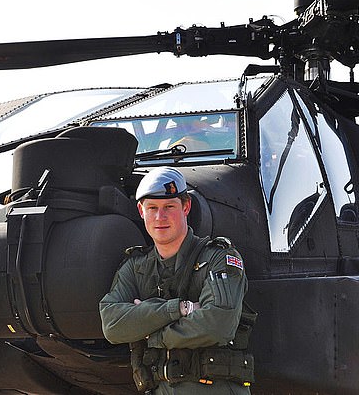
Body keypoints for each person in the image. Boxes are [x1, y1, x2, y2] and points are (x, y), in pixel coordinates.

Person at [99, 166, 254, 394]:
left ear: (186, 207)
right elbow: (112, 325)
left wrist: (150, 333)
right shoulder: (135, 267)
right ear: (141, 211)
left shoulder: (219, 257)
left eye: (169, 207)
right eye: (152, 208)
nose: (160, 217)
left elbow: (217, 325)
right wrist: (179, 309)